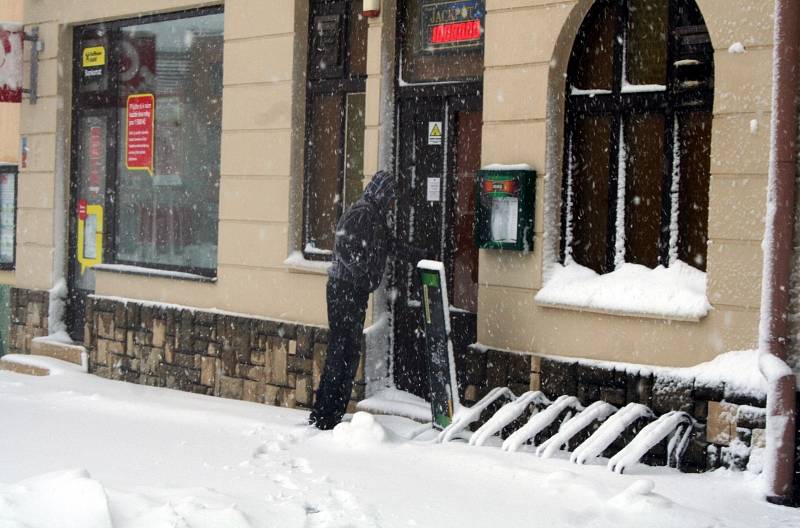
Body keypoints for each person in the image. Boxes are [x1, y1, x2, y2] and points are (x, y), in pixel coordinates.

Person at [309, 170, 428, 430]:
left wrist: (416, 256)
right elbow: (342, 246)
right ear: (382, 194)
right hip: (345, 289)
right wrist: (362, 271)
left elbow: (388, 245)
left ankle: (330, 414)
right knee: (342, 350)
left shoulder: (374, 217)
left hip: (353, 290)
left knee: (348, 351)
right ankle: (325, 415)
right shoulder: (361, 212)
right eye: (391, 198)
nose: (392, 203)